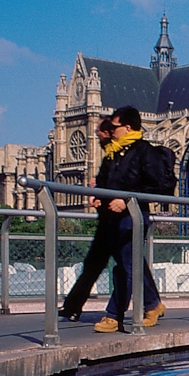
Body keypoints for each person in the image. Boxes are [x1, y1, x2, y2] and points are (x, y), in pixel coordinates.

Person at [92, 105, 168, 333]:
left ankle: (114, 315)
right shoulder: (114, 152)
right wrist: (97, 196)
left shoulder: (145, 151)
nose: (110, 130)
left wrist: (127, 200)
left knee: (125, 266)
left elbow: (155, 185)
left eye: (114, 126)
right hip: (112, 217)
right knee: (130, 263)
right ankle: (153, 304)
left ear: (127, 127)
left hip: (134, 215)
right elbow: (104, 181)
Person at [59, 116, 116, 322]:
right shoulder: (110, 155)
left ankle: (152, 303)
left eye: (98, 132)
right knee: (94, 265)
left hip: (118, 220)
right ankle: (72, 305)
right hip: (108, 219)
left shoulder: (120, 153)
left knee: (131, 267)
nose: (96, 136)